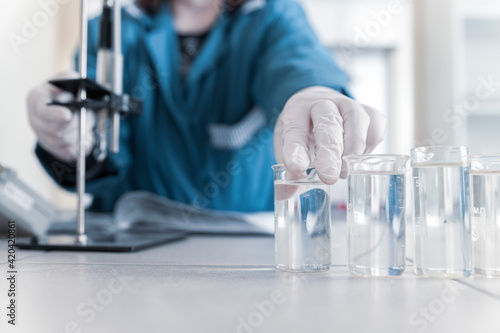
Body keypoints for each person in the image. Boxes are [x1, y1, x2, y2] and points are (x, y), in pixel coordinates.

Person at [27, 0, 385, 213]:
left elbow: (300, 64)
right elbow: (99, 153)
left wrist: (313, 94)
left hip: (246, 259)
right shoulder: (111, 32)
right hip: (137, 256)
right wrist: (68, 138)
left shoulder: (271, 17)